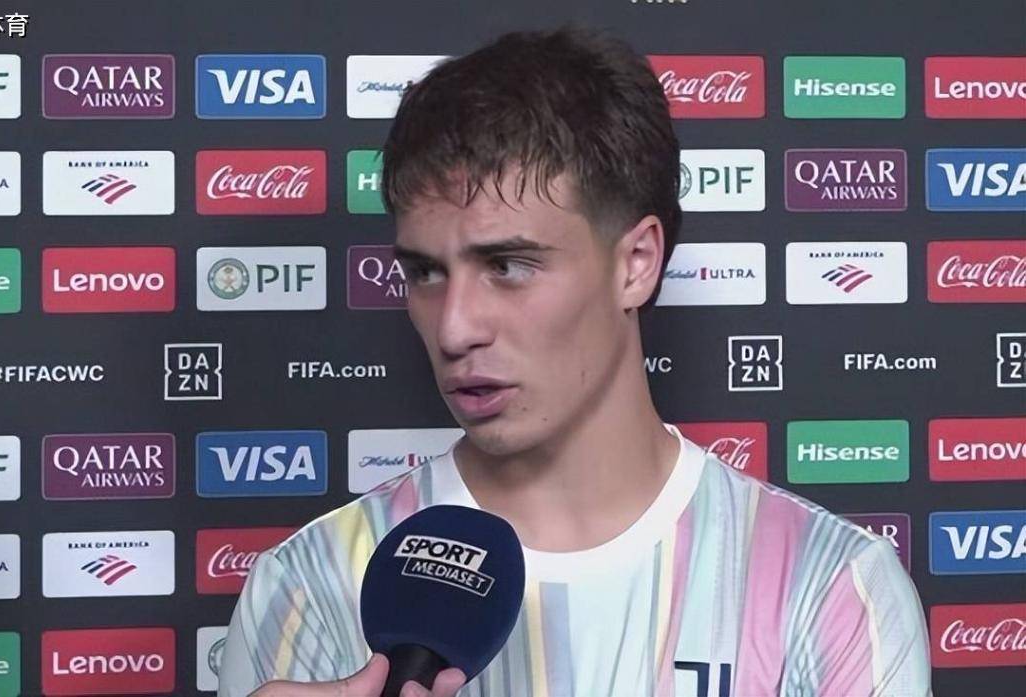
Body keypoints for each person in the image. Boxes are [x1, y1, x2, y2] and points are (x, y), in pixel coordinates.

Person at [217, 26, 930, 697]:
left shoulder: (826, 588)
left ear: (637, 263)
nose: (455, 328)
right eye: (426, 272)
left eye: (507, 265)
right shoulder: (311, 586)